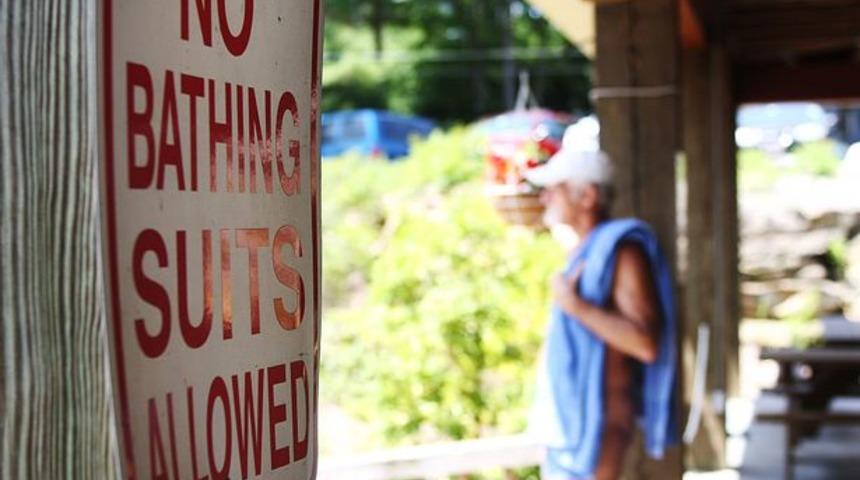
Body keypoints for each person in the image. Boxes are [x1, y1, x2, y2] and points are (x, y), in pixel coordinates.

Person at [525, 142, 678, 480]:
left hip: (599, 425)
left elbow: (645, 344)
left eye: (554, 190)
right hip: (569, 427)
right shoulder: (584, 253)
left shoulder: (623, 253)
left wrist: (575, 306)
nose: (544, 199)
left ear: (587, 196)